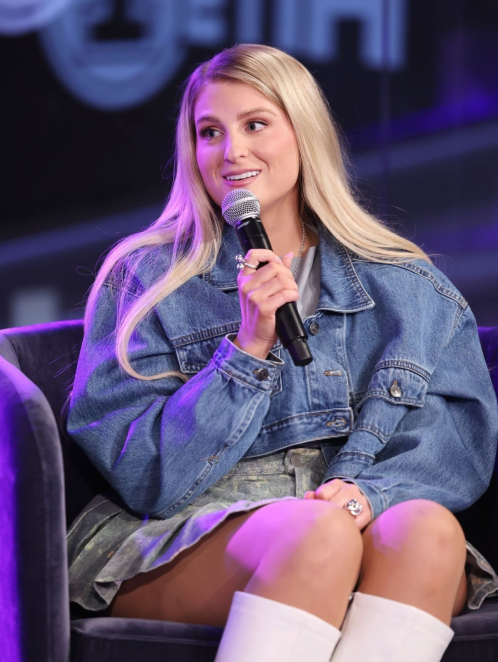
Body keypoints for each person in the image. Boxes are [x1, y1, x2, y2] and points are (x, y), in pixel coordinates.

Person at [65, 43, 498, 662]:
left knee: (429, 530)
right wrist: (246, 349)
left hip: (356, 509)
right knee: (318, 534)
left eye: (255, 124)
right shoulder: (147, 280)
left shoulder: (408, 284)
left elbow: (453, 447)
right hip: (192, 526)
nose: (231, 151)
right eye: (209, 132)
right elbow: (146, 479)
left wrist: (361, 497)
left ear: (304, 133)